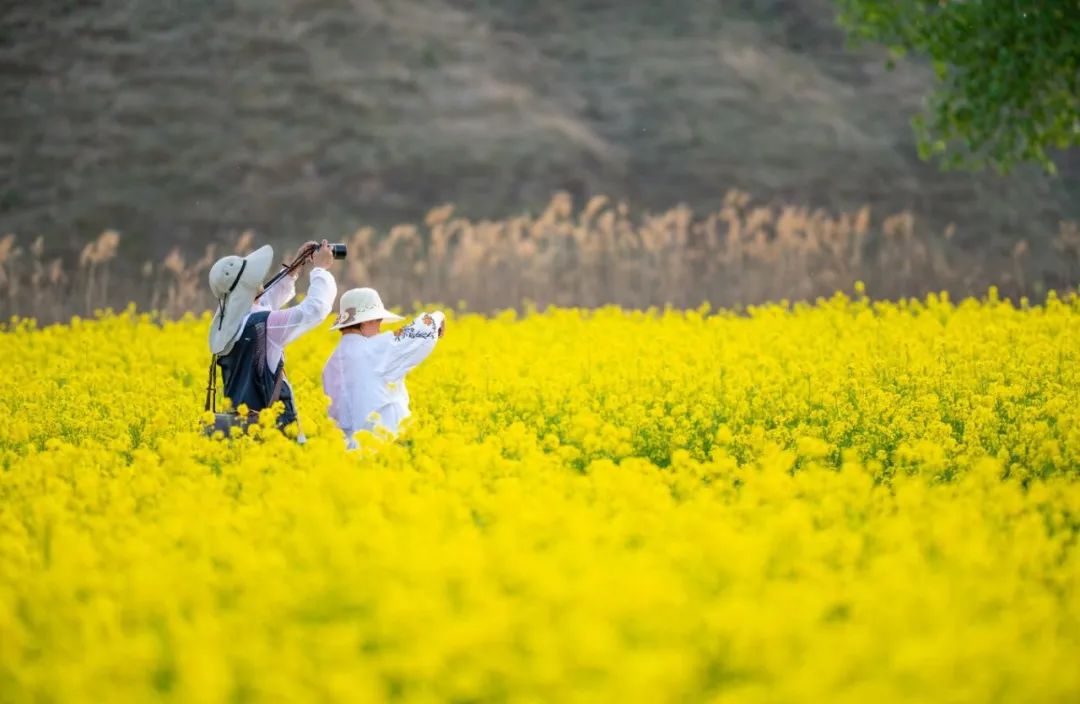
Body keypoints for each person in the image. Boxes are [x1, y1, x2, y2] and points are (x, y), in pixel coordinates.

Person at [207, 240, 337, 437]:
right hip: (272, 433)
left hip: (240, 428)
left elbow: (261, 303)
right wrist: (320, 270)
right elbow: (314, 309)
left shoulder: (229, 326)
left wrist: (293, 269)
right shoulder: (263, 326)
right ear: (248, 284)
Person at [322, 287, 445, 448]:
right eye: (378, 320)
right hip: (383, 449)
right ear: (365, 321)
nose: (380, 328)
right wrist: (439, 316)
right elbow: (420, 330)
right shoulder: (374, 348)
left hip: (346, 454)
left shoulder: (330, 364)